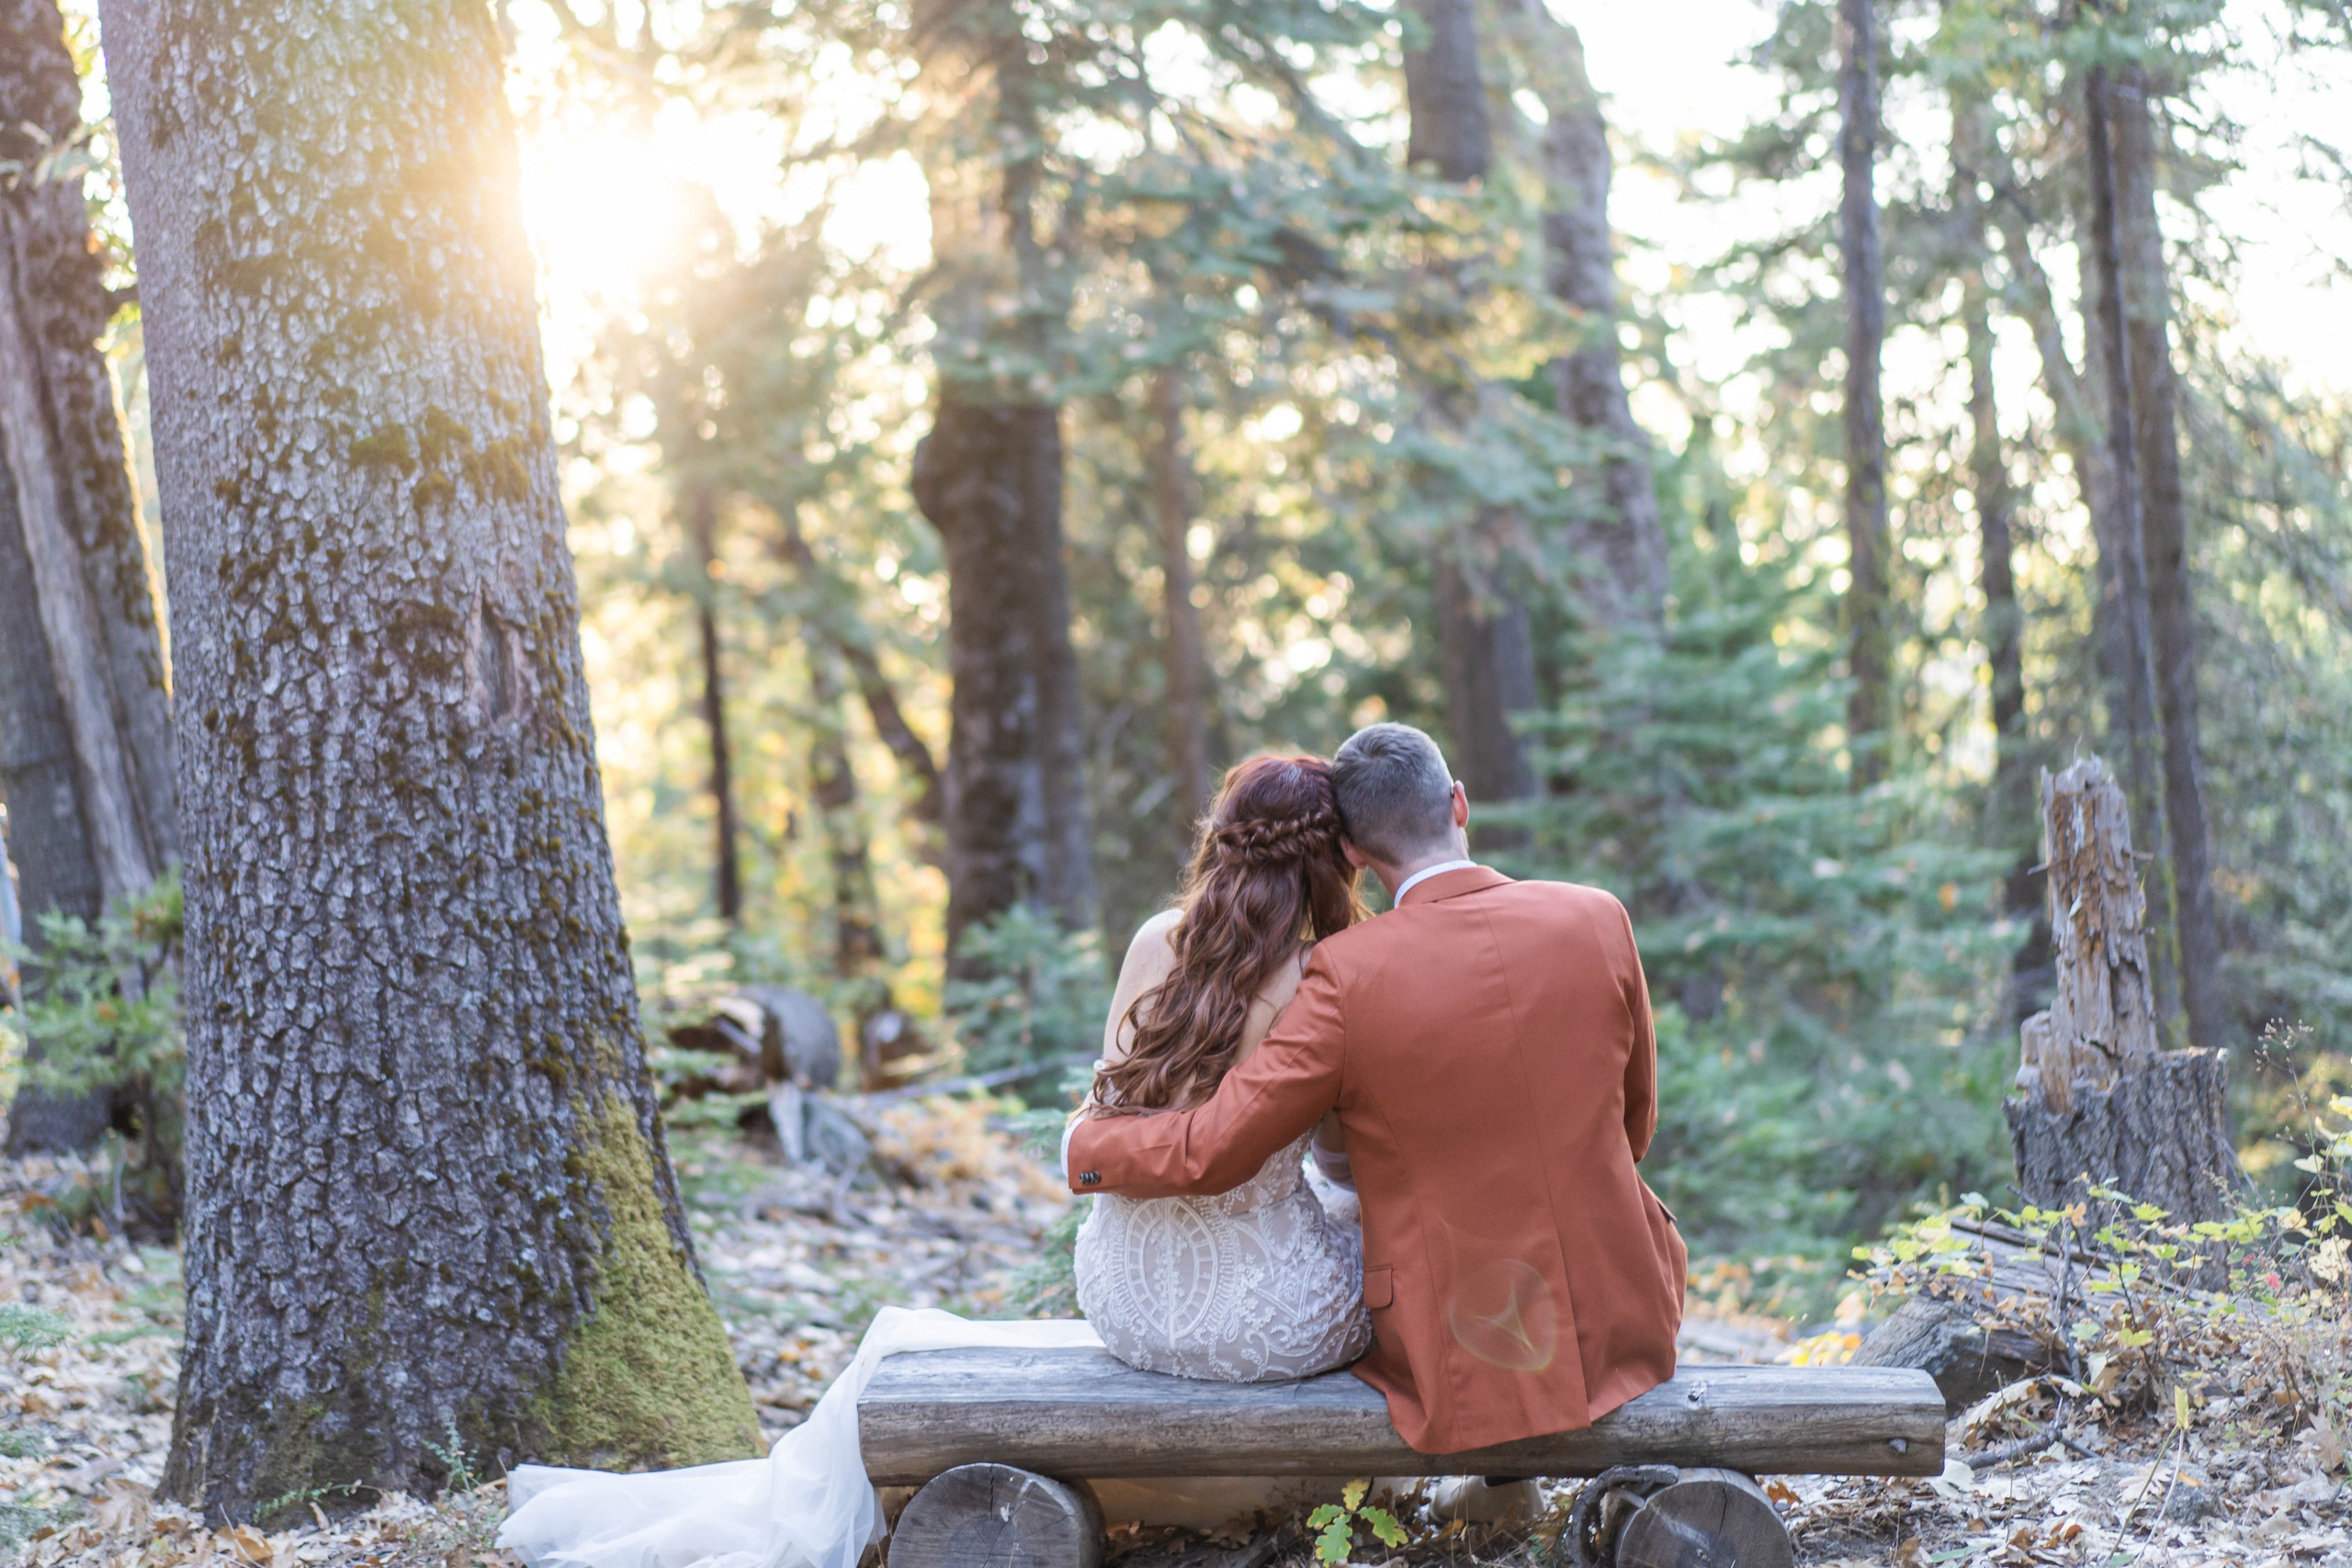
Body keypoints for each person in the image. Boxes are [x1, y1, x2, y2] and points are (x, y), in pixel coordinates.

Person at [1065, 721, 1686, 1456]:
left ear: (1356, 850)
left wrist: (1086, 1147)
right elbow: (1635, 1124)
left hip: (1465, 1333)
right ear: (1459, 803)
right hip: (1623, 1304)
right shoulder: (1599, 916)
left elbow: (1218, 1144)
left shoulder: (1345, 973)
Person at [1072, 752, 1374, 1382]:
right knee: (1377, 1222)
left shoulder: (1155, 937)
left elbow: (1107, 1106)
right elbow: (1342, 1162)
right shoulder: (1325, 970)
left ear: (1221, 836)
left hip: (1121, 1300)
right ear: (1334, 859)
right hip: (1261, 1323)